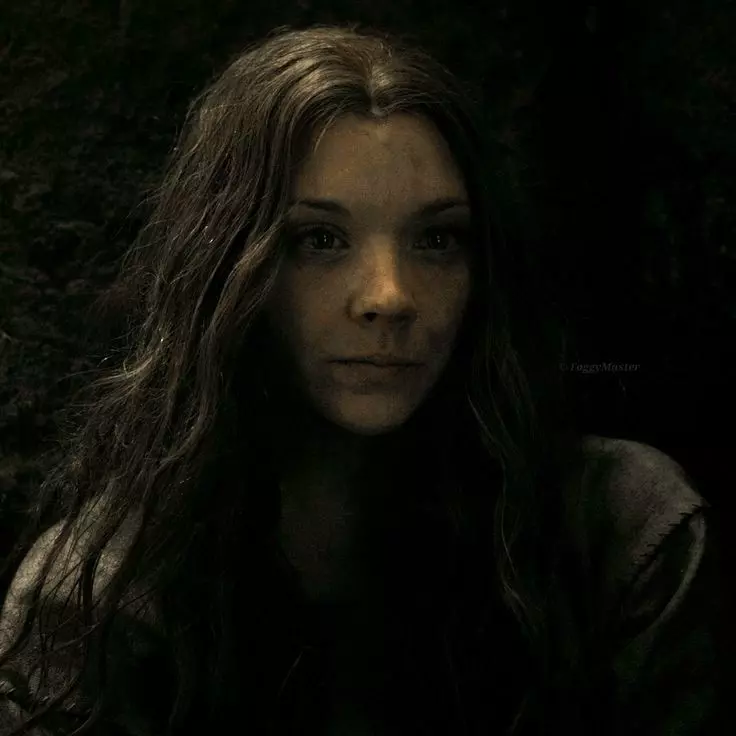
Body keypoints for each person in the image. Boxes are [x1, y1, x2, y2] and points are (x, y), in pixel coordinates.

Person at [0, 22, 725, 736]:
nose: (390, 296)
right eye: (319, 239)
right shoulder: (101, 601)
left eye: (436, 239)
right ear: (226, 270)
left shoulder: (621, 535)